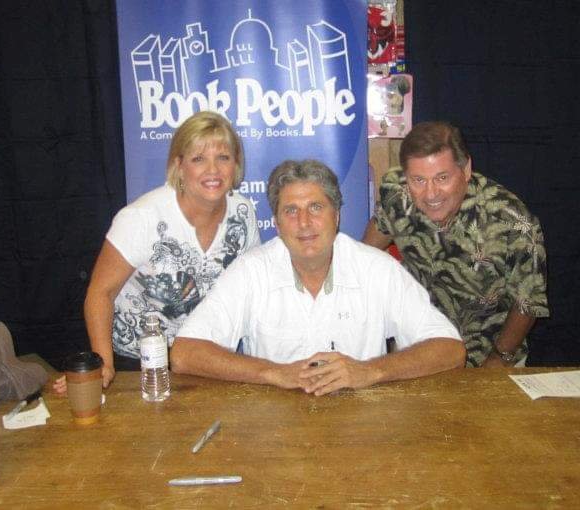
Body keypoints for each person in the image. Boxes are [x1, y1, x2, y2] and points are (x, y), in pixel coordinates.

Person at [171, 160, 465, 395]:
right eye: (291, 211)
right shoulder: (251, 271)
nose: (304, 223)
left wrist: (370, 371)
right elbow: (185, 354)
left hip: (362, 428)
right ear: (276, 223)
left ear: (336, 216)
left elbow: (450, 349)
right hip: (274, 431)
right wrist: (273, 373)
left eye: (315, 207)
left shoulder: (376, 268)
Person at [55, 111, 260, 392]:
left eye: (223, 157)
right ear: (179, 165)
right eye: (198, 159)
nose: (213, 170)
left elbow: (251, 288)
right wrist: (103, 365)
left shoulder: (242, 212)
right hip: (137, 364)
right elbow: (100, 293)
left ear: (236, 164)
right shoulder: (141, 217)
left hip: (207, 361)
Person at [362, 121, 549, 367]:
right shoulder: (397, 194)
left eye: (442, 177)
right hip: (416, 352)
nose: (431, 194)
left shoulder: (511, 221)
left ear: (466, 168)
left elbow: (527, 301)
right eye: (418, 180)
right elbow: (369, 249)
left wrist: (499, 358)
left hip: (489, 355)